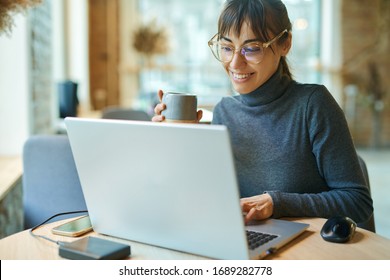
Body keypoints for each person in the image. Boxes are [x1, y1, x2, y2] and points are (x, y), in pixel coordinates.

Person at [152, 0, 373, 224]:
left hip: (305, 247)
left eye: (251, 49)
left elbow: (357, 202)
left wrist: (277, 203)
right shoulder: (224, 113)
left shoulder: (313, 105)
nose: (235, 63)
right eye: (227, 48)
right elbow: (211, 199)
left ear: (285, 44)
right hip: (251, 243)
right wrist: (178, 145)